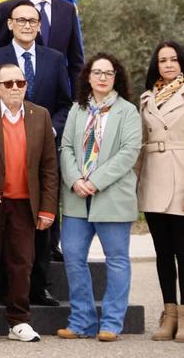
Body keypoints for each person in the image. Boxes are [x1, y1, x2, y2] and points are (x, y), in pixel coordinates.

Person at [0, 0, 72, 306]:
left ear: (39, 25)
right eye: (21, 20)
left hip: (41, 149)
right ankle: (3, 294)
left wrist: (51, 129)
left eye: (33, 20)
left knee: (39, 225)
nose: (28, 25)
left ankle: (38, 287)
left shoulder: (55, 58)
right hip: (0, 154)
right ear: (9, 24)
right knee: (2, 232)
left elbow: (64, 102)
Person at [0, 63, 58, 343]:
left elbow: (49, 167)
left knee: (21, 264)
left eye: (20, 82)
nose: (15, 88)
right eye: (9, 84)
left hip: (25, 204)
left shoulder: (40, 116)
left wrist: (48, 207)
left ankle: (19, 321)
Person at [57, 53, 142, 341]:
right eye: (97, 72)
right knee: (72, 257)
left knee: (116, 260)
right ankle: (81, 321)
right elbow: (66, 148)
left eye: (109, 73)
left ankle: (111, 323)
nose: (103, 77)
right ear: (88, 77)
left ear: (116, 77)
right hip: (77, 197)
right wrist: (76, 180)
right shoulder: (77, 110)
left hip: (112, 197)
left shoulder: (128, 111)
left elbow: (128, 153)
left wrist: (94, 181)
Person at [137, 41, 184, 343]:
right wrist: (132, 183)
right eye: (162, 61)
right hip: (154, 180)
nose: (168, 65)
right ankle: (168, 314)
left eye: (173, 59)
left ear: (182, 62)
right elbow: (141, 146)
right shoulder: (146, 99)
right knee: (162, 252)